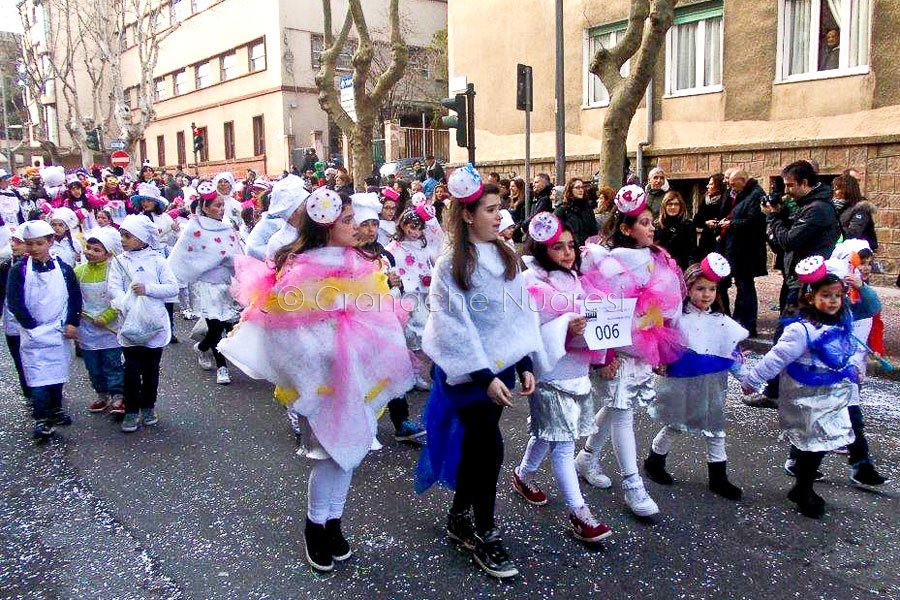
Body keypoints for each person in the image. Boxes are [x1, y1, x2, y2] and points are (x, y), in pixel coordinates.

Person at [219, 188, 414, 573]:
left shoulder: (360, 261)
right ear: (326, 226)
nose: (355, 225)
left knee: (350, 452)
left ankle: (335, 522)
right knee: (328, 457)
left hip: (356, 374)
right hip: (322, 380)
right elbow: (285, 332)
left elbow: (378, 312)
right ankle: (315, 526)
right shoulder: (301, 270)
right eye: (346, 220)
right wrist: (323, 358)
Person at [415, 166, 539, 579]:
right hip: (466, 374)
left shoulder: (504, 251)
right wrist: (484, 376)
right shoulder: (452, 263)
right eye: (490, 209)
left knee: (476, 450)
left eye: (500, 207)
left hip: (501, 370)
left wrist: (524, 362)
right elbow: (452, 324)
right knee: (490, 448)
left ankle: (459, 516)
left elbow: (516, 314)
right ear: (468, 215)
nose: (499, 215)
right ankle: (485, 532)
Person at [574, 185, 684, 518]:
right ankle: (633, 484)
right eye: (645, 223)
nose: (652, 228)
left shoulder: (655, 258)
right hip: (618, 352)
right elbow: (597, 308)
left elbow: (668, 305)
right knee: (622, 413)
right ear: (625, 228)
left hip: (642, 349)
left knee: (620, 407)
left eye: (652, 222)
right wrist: (604, 354)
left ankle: (588, 456)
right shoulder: (607, 263)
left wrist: (664, 342)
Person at [513, 212, 613, 543]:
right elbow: (529, 329)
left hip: (577, 372)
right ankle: (579, 513)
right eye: (558, 247)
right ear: (542, 249)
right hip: (550, 371)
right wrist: (564, 325)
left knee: (551, 433)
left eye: (571, 245)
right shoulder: (530, 282)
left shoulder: (577, 279)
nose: (568, 252)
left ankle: (524, 474)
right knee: (563, 442)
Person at [741, 257, 856, 519]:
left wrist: (855, 368)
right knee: (813, 443)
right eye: (826, 295)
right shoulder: (801, 330)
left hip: (831, 395)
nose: (833, 301)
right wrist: (753, 380)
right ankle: (803, 490)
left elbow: (844, 352)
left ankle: (802, 486)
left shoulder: (838, 325)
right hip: (806, 397)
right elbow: (776, 357)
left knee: (822, 442)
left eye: (837, 295)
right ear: (810, 297)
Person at [643, 253, 746, 500]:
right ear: (688, 288)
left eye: (711, 289)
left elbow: (729, 352)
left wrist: (746, 379)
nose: (706, 294)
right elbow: (659, 341)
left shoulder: (721, 321)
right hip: (683, 382)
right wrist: (657, 362)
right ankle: (655, 460)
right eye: (700, 288)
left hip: (713, 383)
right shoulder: (678, 318)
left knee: (715, 428)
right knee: (677, 423)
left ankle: (718, 477)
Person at [352, 192, 425, 443]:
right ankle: (362, 424)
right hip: (359, 324)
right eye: (365, 224)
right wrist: (383, 281)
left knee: (393, 366)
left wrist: (396, 285)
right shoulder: (349, 255)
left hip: (387, 319)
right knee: (363, 375)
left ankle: (401, 421)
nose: (371, 230)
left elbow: (396, 285)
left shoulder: (383, 253)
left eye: (374, 224)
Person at [7, 220, 81, 441]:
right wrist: (29, 325)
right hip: (33, 333)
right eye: (29, 244)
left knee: (57, 373)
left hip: (58, 331)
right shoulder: (18, 270)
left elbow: (74, 298)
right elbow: (15, 302)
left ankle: (56, 407)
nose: (34, 248)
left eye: (39, 243)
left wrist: (72, 322)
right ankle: (42, 417)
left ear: (50, 242)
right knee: (38, 376)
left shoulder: (64, 269)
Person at [108, 215, 179, 433]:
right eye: (122, 235)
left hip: (154, 324)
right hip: (130, 323)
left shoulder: (157, 260)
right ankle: (131, 410)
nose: (123, 240)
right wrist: (125, 303)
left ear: (141, 238)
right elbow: (113, 289)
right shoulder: (120, 262)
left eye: (128, 235)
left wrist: (148, 289)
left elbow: (172, 287)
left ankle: (148, 406)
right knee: (131, 370)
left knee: (151, 370)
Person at [168, 191, 243, 385]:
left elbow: (237, 253)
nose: (221, 209)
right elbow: (184, 255)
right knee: (216, 326)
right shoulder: (195, 227)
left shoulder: (227, 228)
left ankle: (202, 347)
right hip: (206, 285)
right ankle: (222, 367)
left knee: (229, 326)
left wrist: (237, 267)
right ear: (205, 208)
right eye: (216, 206)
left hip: (226, 284)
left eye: (222, 205)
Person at [75, 227, 125, 414]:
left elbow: (119, 298)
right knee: (93, 366)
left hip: (110, 328)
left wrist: (106, 316)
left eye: (96, 250)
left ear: (108, 252)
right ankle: (101, 394)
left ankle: (118, 396)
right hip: (87, 328)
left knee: (113, 364)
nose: (90, 252)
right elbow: (73, 297)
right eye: (88, 248)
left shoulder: (114, 272)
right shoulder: (78, 271)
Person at [717, 170, 767, 337]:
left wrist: (731, 224)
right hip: (732, 247)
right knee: (732, 285)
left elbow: (755, 221)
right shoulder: (736, 193)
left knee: (745, 287)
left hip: (746, 250)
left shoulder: (756, 195)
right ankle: (734, 320)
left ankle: (748, 324)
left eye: (732, 183)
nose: (730, 186)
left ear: (743, 181)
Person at [1, 226, 31, 399]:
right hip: (13, 325)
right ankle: (31, 395)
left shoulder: (39, 265)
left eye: (18, 241)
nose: (13, 245)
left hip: (35, 323)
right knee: (20, 362)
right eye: (12, 241)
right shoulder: (5, 267)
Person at [653, 190, 696, 271]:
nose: (673, 207)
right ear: (664, 206)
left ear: (681, 206)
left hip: (681, 268)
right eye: (670, 204)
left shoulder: (688, 225)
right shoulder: (657, 225)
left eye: (676, 204)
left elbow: (692, 251)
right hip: (660, 269)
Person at [833, 173, 877, 251]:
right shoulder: (837, 207)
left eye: (837, 188)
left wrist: (831, 231)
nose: (834, 191)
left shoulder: (861, 207)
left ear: (847, 190)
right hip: (840, 248)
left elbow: (854, 232)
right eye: (834, 188)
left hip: (858, 252)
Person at [555, 178, 599, 246]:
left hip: (587, 248)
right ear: (570, 190)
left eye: (582, 187)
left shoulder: (587, 209)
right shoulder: (562, 210)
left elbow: (593, 231)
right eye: (577, 187)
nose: (581, 190)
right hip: (570, 248)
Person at [694, 173, 726, 258]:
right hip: (706, 240)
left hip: (721, 241)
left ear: (719, 186)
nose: (708, 186)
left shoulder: (726, 200)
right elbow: (696, 220)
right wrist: (706, 223)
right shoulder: (705, 200)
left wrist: (718, 224)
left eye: (711, 184)